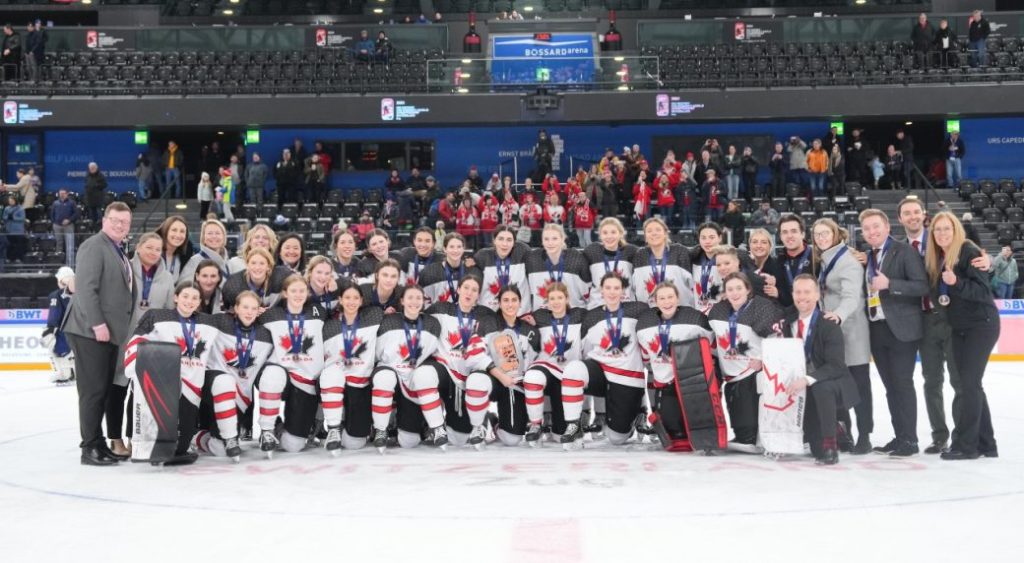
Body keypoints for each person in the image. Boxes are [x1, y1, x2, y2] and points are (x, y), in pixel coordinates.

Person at [63, 202, 135, 466]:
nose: (119, 225)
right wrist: (97, 324)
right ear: (104, 220)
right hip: (90, 331)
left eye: (124, 222)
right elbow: (85, 289)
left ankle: (99, 443)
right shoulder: (95, 246)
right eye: (115, 220)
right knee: (93, 391)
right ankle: (89, 448)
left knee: (101, 390)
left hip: (107, 333)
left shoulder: (116, 250)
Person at [924, 212, 999, 460]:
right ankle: (987, 444)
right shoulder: (937, 257)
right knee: (972, 385)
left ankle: (967, 446)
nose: (942, 234)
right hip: (959, 327)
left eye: (947, 229)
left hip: (981, 325)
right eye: (937, 230)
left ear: (956, 230)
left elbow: (982, 292)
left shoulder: (968, 251)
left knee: (968, 385)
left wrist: (956, 282)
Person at [122, 281, 223, 465]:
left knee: (181, 447)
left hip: (192, 386)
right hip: (163, 383)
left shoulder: (209, 322)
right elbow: (136, 340)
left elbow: (236, 321)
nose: (189, 301)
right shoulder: (156, 316)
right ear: (176, 297)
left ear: (200, 301)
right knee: (138, 391)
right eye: (185, 296)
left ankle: (185, 442)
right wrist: (134, 368)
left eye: (194, 298)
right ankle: (139, 442)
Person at [860, 208, 929, 457]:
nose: (872, 231)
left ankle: (910, 440)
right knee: (890, 386)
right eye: (866, 228)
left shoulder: (904, 251)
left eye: (876, 226)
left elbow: (922, 286)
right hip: (877, 328)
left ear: (887, 227)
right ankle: (899, 436)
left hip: (902, 329)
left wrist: (891, 285)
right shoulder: (869, 255)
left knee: (902, 383)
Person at [105, 232, 176, 458]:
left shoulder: (167, 278)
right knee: (118, 389)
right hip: (123, 338)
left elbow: (168, 312)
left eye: (158, 249)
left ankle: (133, 438)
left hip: (150, 343)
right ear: (139, 246)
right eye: (150, 247)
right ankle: (115, 439)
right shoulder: (125, 269)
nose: (154, 252)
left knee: (140, 394)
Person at [560, 273, 649, 449]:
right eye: (608, 288)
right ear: (601, 290)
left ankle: (638, 413)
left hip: (627, 378)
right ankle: (573, 425)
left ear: (623, 291)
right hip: (600, 372)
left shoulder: (639, 310)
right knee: (573, 369)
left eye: (616, 288)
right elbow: (583, 350)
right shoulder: (591, 317)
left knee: (616, 438)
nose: (612, 292)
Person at [782, 275, 860, 465]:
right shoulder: (787, 323)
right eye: (798, 292)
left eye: (807, 292)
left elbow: (836, 365)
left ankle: (831, 446)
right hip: (804, 385)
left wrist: (807, 379)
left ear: (817, 295)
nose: (802, 297)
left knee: (820, 387)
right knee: (814, 449)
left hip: (832, 382)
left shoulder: (828, 324)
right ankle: (830, 430)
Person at [810, 219, 872, 454]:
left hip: (852, 332)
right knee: (838, 386)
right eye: (817, 234)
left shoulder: (848, 261)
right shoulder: (825, 259)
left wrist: (838, 315)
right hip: (834, 334)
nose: (822, 238)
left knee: (859, 388)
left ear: (836, 234)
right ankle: (845, 434)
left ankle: (865, 436)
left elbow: (851, 297)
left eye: (826, 233)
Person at [707, 272, 784, 452]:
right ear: (725, 292)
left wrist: (762, 359)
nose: (735, 293)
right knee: (741, 427)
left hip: (752, 372)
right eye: (730, 289)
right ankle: (745, 436)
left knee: (749, 429)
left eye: (739, 288)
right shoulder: (718, 311)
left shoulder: (761, 308)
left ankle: (756, 436)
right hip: (731, 375)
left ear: (748, 289)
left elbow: (778, 338)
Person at [193, 290, 273, 459]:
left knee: (220, 450)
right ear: (235, 308)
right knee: (224, 381)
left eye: (254, 308)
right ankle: (193, 436)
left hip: (240, 395)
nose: (249, 312)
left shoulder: (265, 333)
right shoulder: (221, 320)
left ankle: (201, 436)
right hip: (214, 385)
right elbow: (190, 317)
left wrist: (269, 315)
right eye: (245, 307)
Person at [253, 275, 326, 456]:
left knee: (293, 446)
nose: (298, 294)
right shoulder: (271, 315)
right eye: (293, 291)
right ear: (285, 293)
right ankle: (267, 430)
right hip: (282, 374)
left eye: (302, 290)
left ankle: (281, 428)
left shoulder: (318, 312)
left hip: (307, 380)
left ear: (308, 292)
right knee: (272, 374)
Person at [369, 284, 445, 450]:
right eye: (410, 297)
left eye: (418, 298)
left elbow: (435, 353)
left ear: (424, 302)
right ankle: (381, 429)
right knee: (384, 378)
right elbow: (374, 353)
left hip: (413, 380)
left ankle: (432, 426)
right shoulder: (388, 321)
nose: (414, 302)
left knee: (409, 442)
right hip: (390, 373)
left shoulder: (432, 324)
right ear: (402, 301)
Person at [319, 284, 383, 452]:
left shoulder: (374, 317)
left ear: (362, 301)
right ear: (340, 300)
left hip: (360, 384)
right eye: (347, 297)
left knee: (354, 444)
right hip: (337, 381)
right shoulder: (329, 326)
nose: (351, 302)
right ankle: (334, 427)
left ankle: (351, 426)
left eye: (356, 298)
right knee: (330, 373)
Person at [526, 224, 591, 311]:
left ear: (562, 239)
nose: (550, 243)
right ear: (542, 241)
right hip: (543, 318)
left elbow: (587, 291)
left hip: (573, 316)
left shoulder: (576, 258)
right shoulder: (533, 259)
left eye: (554, 238)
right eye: (546, 239)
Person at [475, 225, 532, 315]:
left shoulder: (522, 252)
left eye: (509, 240)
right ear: (494, 240)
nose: (504, 244)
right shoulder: (483, 256)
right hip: (488, 316)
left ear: (514, 243)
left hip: (520, 316)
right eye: (501, 239)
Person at [584, 218, 637, 309]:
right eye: (605, 233)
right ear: (600, 235)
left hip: (626, 305)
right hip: (598, 306)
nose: (609, 236)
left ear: (620, 234)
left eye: (613, 232)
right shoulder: (592, 251)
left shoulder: (631, 251)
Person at [419, 233, 479, 306]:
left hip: (463, 316)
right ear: (445, 249)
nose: (455, 250)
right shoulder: (430, 272)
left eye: (459, 247)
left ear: (463, 249)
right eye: (451, 247)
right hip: (438, 316)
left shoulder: (471, 272)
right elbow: (424, 301)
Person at [43, 267, 76, 385]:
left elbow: (54, 315)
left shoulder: (55, 295)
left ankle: (65, 374)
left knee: (56, 348)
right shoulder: (83, 293)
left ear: (61, 280)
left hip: (63, 330)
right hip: (79, 330)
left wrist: (50, 329)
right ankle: (74, 373)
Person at [154, 215, 192, 279]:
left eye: (182, 231)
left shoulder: (184, 256)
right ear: (166, 231)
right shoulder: (152, 252)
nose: (178, 235)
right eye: (174, 230)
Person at [1, 194, 26, 263]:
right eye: (9, 201)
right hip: (9, 230)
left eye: (12, 200)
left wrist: (13, 217)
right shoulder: (6, 208)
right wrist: (7, 218)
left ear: (15, 200)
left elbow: (22, 218)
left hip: (18, 231)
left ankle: (18, 258)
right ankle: (9, 258)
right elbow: (4, 217)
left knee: (18, 245)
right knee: (9, 245)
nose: (10, 202)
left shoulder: (20, 208)